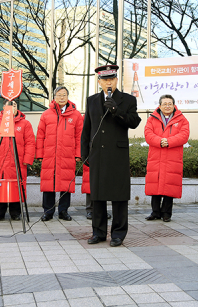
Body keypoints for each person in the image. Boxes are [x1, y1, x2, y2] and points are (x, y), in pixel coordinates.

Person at [81, 64, 141, 247]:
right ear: (99, 81)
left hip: (117, 154)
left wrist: (116, 111)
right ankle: (98, 232)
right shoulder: (91, 100)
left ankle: (118, 234)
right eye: (105, 79)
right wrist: (85, 154)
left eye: (111, 79)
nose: (108, 82)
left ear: (116, 80)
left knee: (119, 196)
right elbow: (87, 129)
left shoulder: (128, 99)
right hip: (97, 153)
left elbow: (134, 122)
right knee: (97, 196)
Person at [36, 86, 83, 221]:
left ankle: (63, 211)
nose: (61, 97)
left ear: (68, 97)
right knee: (48, 184)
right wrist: (39, 155)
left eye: (64, 95)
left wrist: (78, 154)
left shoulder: (76, 115)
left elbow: (79, 136)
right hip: (50, 155)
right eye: (59, 95)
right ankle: (48, 212)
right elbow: (40, 135)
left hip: (67, 155)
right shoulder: (46, 114)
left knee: (66, 184)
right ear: (54, 97)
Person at [0, 100, 35, 221]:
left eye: (15, 105)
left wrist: (27, 159)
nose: (12, 108)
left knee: (16, 185)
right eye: (9, 105)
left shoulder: (25, 124)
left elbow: (30, 143)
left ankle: (15, 213)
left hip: (18, 162)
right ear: (3, 107)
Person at [144, 94, 190, 222]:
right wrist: (160, 141)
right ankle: (155, 212)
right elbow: (148, 134)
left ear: (174, 105)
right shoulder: (152, 119)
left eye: (170, 104)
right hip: (156, 157)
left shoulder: (181, 119)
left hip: (172, 158)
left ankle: (166, 213)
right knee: (155, 185)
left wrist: (168, 141)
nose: (167, 106)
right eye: (165, 104)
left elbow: (184, 135)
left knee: (169, 186)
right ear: (159, 106)